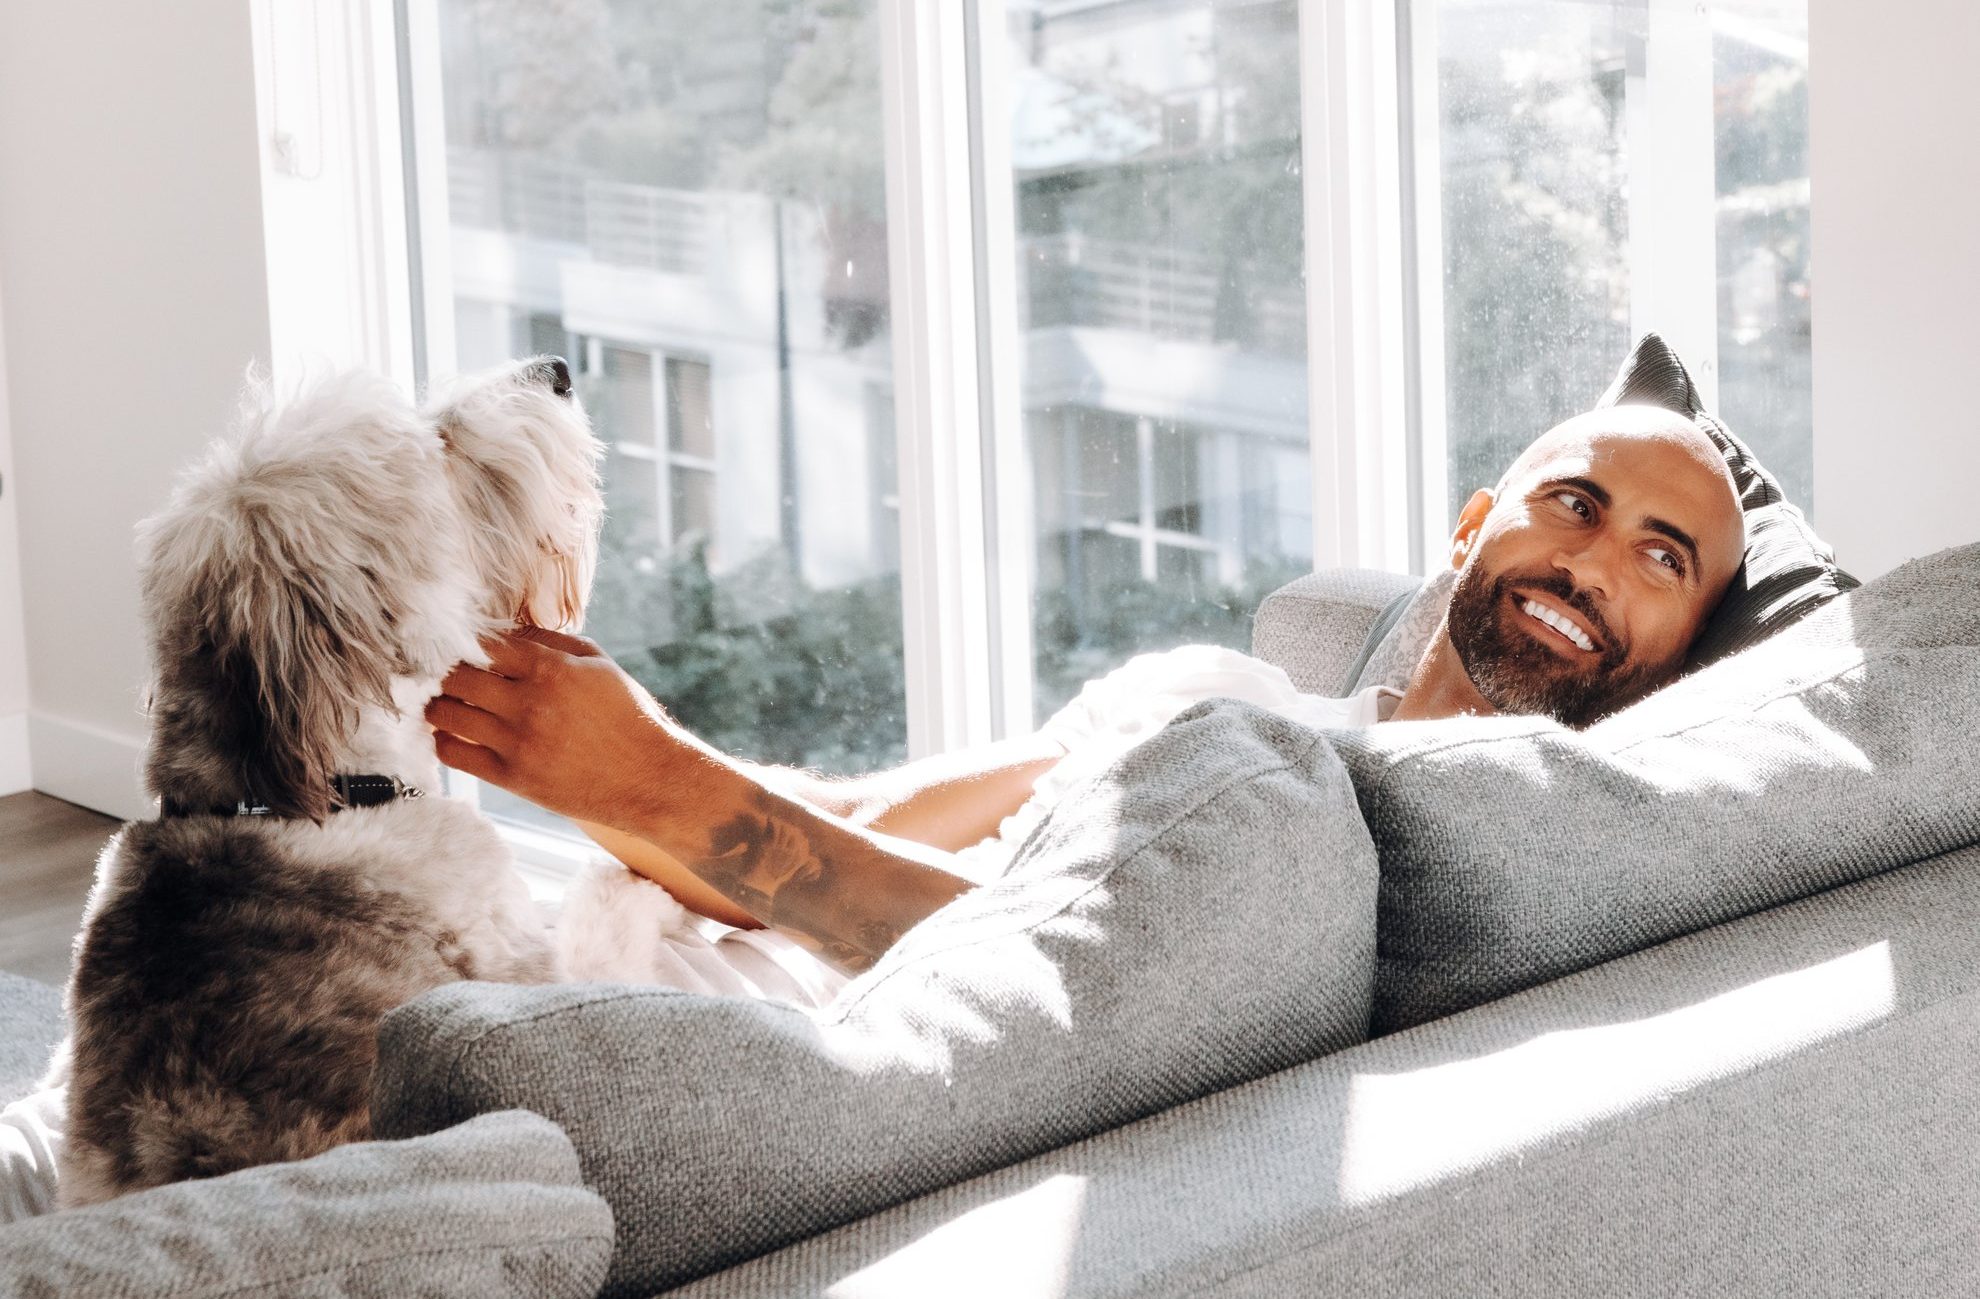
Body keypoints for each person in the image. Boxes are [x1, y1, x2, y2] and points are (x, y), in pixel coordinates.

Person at [423, 403, 1747, 986]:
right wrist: (561, 741)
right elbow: (866, 807)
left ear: (1680, 656)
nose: (1590, 558)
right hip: (595, 959)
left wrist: (652, 781)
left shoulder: (1402, 850)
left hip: (718, 1068)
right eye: (1575, 502)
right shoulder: (1217, 692)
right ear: (1472, 528)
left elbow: (1066, 984)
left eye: (1659, 558)